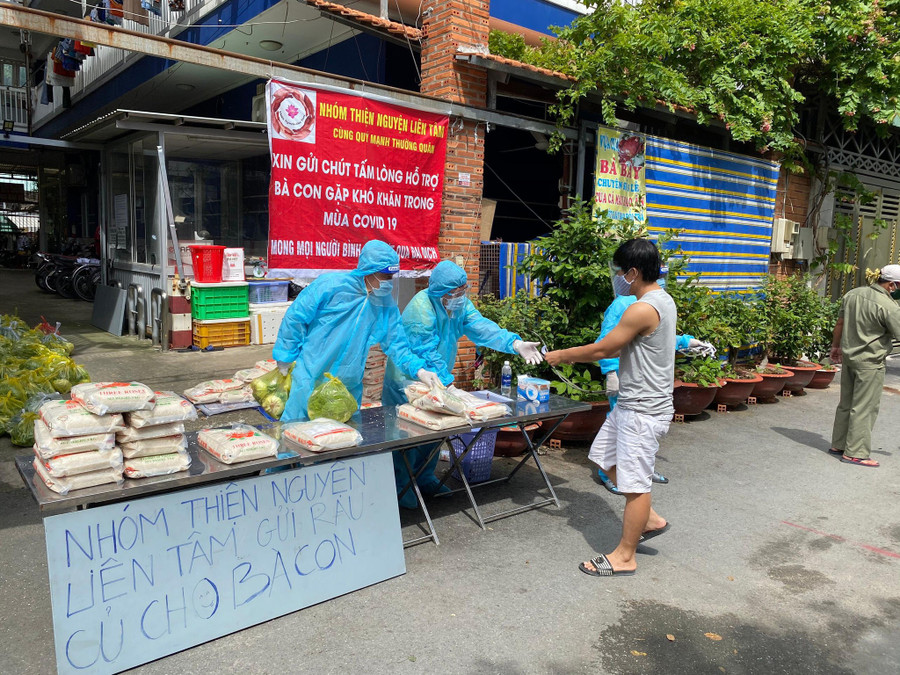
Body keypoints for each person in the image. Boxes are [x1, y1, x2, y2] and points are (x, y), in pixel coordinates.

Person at [545, 238, 674, 577]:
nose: (617, 278)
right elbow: (623, 347)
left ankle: (625, 556)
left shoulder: (642, 308)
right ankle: (649, 520)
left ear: (633, 272)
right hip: (631, 404)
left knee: (635, 485)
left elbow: (604, 349)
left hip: (642, 410)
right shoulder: (661, 299)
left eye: (620, 272)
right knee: (604, 458)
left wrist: (562, 355)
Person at [383, 260, 543, 508]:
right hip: (409, 380)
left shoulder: (459, 305)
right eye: (454, 292)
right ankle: (401, 485)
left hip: (439, 380)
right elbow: (425, 351)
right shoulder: (421, 309)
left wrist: (515, 343)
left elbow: (482, 327)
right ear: (439, 291)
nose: (459, 296)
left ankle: (425, 477)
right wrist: (448, 385)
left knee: (436, 430)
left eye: (462, 290)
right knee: (407, 435)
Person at [272, 240, 442, 422]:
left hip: (347, 385)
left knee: (342, 434)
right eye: (384, 276)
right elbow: (296, 317)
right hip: (312, 377)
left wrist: (420, 370)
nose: (388, 282)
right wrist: (285, 355)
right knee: (297, 430)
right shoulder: (330, 286)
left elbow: (397, 344)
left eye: (391, 277)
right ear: (368, 270)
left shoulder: (385, 305)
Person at [595, 266, 714, 494]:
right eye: (659, 276)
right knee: (621, 428)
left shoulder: (656, 301)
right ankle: (610, 474)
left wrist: (687, 342)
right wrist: (611, 372)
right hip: (626, 377)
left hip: (647, 380)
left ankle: (642, 471)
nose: (661, 281)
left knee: (645, 432)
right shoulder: (622, 304)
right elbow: (606, 341)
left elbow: (659, 335)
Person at [828, 264, 900, 468]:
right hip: (870, 362)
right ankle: (856, 453)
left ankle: (838, 444)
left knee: (846, 403)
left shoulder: (853, 294)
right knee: (864, 408)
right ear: (891, 285)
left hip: (849, 359)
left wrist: (835, 347)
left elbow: (840, 324)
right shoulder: (889, 306)